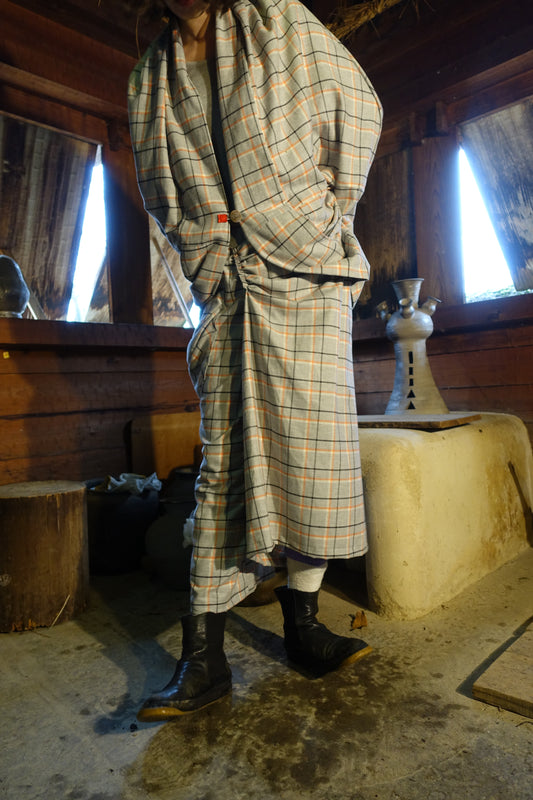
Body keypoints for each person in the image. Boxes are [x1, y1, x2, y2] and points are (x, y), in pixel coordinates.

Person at [128, 0, 382, 722]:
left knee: (315, 455)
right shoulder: (149, 77)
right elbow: (160, 188)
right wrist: (206, 244)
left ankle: (304, 627)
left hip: (307, 272)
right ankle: (203, 659)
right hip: (228, 281)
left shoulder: (281, 22)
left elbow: (358, 109)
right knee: (222, 466)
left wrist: (322, 214)